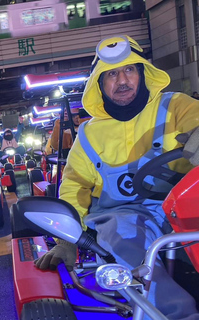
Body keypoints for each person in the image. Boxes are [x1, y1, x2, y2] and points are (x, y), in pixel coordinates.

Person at [34, 35, 199, 319]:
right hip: (125, 216)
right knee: (122, 235)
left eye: (129, 70)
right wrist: (66, 240)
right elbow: (74, 187)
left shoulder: (177, 106)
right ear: (99, 84)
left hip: (184, 209)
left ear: (143, 73)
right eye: (111, 74)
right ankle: (174, 314)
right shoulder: (88, 135)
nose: (122, 80)